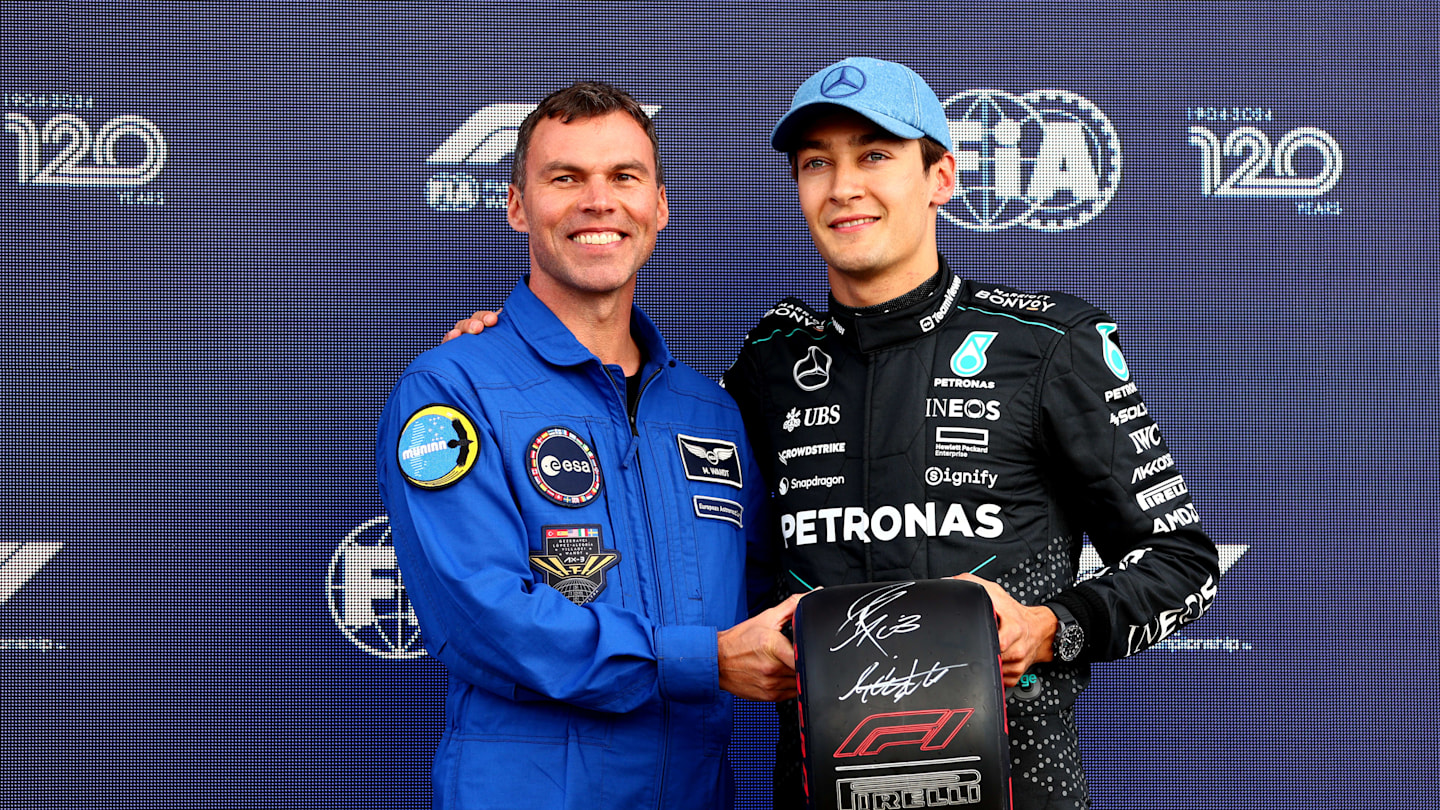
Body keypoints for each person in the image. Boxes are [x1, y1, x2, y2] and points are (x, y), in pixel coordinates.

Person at [445, 60, 1221, 810]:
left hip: (1013, 790)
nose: (845, 186)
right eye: (818, 163)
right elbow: (665, 503)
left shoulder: (1046, 342)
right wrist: (512, 355)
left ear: (941, 178)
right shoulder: (768, 365)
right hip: (818, 791)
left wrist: (1051, 627)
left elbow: (1184, 562)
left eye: (876, 155)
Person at [378, 81, 801, 810]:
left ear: (659, 207)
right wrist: (701, 662)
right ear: (516, 206)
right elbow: (482, 617)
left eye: (623, 177)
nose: (598, 201)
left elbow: (775, 592)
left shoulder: (712, 413)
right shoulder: (454, 390)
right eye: (565, 177)